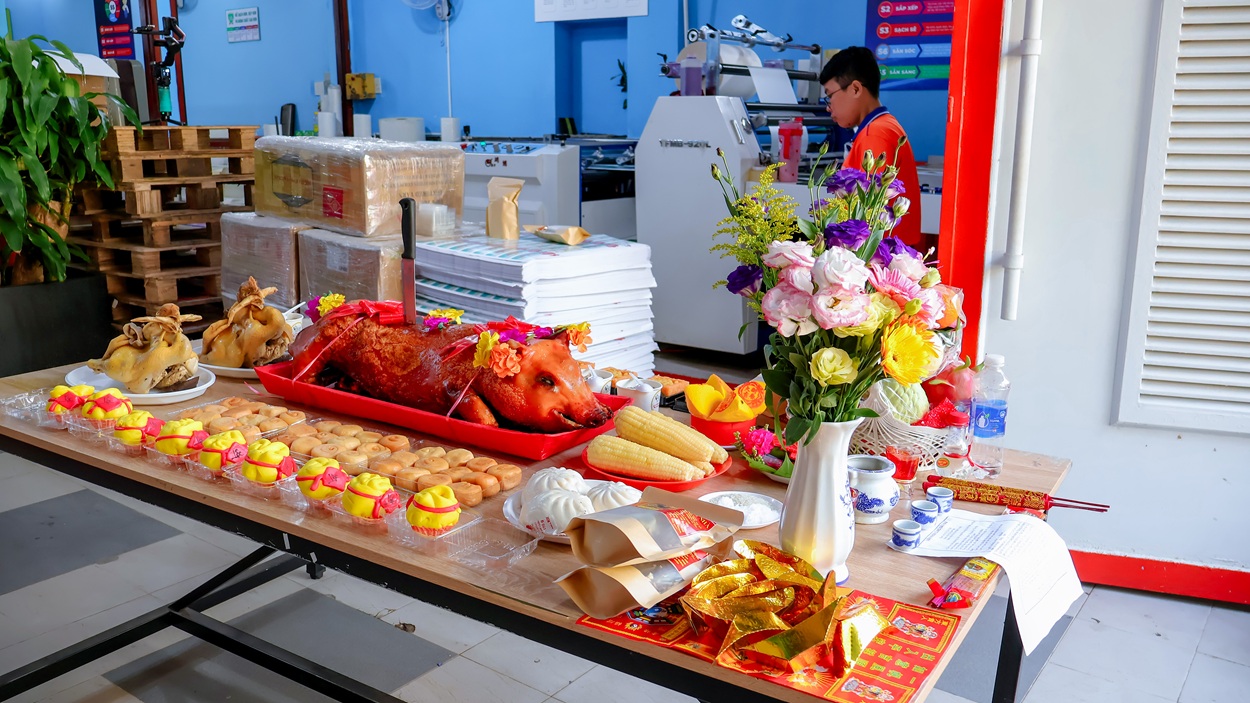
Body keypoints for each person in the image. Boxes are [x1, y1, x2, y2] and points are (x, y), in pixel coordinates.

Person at [820, 47, 923, 246]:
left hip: (877, 253)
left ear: (855, 89)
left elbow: (865, 211)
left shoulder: (874, 134)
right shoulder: (885, 126)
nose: (828, 106)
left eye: (829, 95)